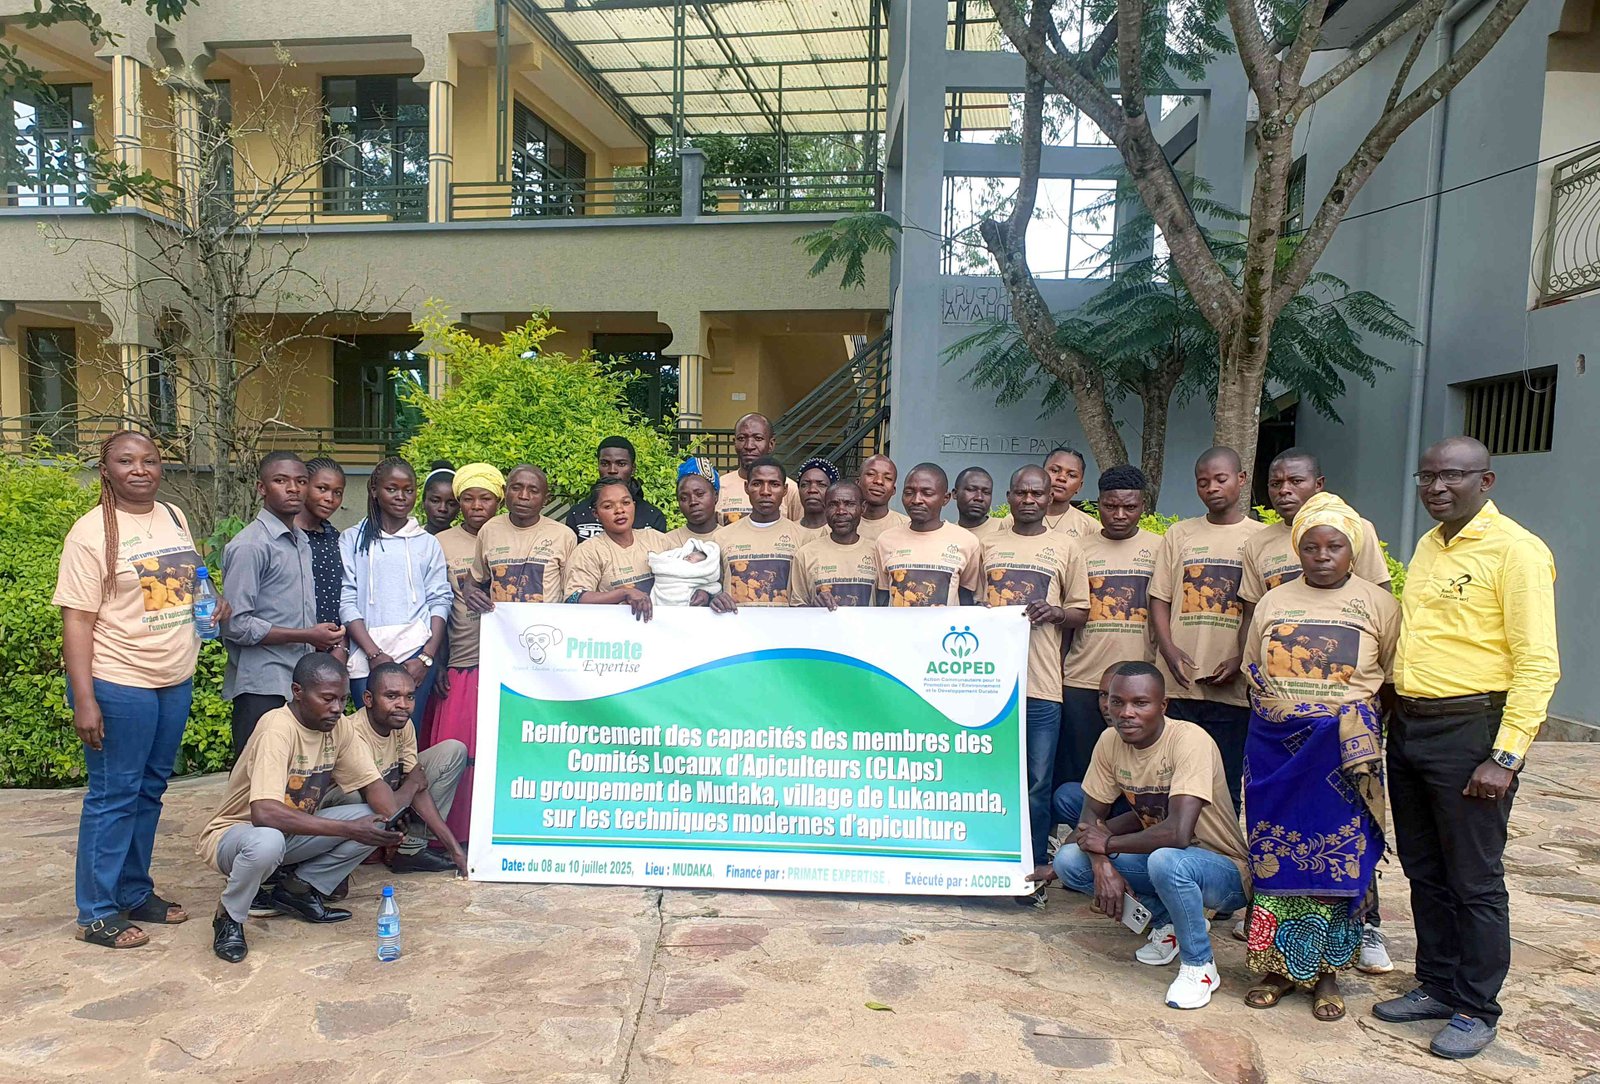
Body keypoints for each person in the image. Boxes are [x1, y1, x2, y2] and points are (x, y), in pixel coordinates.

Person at [1373, 437, 1559, 1060]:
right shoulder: (1431, 545)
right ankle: (1437, 984)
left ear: (1488, 480)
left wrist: (1505, 756)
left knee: (1475, 878)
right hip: (1413, 728)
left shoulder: (1518, 553)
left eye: (1451, 475)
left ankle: (1477, 1006)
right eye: (1427, 476)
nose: (1436, 487)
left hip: (1471, 731)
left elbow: (1538, 664)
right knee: (1424, 869)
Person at [1239, 492, 1399, 1023]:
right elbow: (1254, 675)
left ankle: (1327, 972)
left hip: (1340, 758)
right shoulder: (1273, 601)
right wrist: (1292, 715)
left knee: (1339, 860)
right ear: (1297, 550)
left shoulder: (1379, 605)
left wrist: (1355, 731)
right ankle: (1276, 968)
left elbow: (1392, 684)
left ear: (1353, 552)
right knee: (1275, 856)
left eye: (1334, 547)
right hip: (1276, 753)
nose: (1322, 555)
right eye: (1311, 547)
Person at [53, 430, 216, 949]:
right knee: (113, 795)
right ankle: (97, 911)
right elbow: (76, 621)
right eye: (126, 461)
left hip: (174, 677)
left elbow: (187, 581)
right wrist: (85, 698)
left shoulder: (172, 516)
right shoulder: (89, 533)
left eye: (149, 460)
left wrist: (211, 605)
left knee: (149, 789)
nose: (139, 469)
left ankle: (133, 890)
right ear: (107, 469)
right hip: (120, 680)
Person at [1044, 662, 1250, 1010]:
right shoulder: (1109, 741)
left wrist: (1107, 845)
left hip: (1224, 872)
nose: (1127, 713)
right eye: (1117, 702)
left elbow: (1179, 833)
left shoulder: (1189, 740)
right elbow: (1088, 819)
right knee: (1069, 862)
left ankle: (1199, 966)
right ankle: (1167, 921)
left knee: (1167, 860)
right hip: (1163, 863)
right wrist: (1100, 865)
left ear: (1163, 706)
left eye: (1140, 703)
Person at [198, 652, 406, 962]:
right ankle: (229, 916)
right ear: (298, 692)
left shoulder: (337, 727)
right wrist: (350, 830)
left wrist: (389, 823)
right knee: (268, 841)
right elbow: (264, 814)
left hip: (291, 832)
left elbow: (373, 785)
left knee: (374, 822)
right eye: (327, 698)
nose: (337, 708)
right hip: (238, 836)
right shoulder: (277, 729)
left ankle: (299, 889)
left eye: (341, 699)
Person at [980, 465, 1090, 880]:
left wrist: (1057, 612)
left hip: (1042, 686)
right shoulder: (986, 545)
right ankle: (987, 861)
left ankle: (1035, 868)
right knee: (988, 779)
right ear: (1008, 496)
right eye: (1021, 492)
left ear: (1050, 499)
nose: (1029, 500)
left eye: (1037, 494)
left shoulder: (1066, 548)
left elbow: (1082, 610)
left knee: (1037, 785)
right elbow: (969, 603)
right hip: (988, 685)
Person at [1148, 447, 1265, 808]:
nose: (1212, 487)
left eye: (1221, 479)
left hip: (1229, 688)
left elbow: (1256, 609)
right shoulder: (1179, 534)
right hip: (1178, 683)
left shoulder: (1260, 538)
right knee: (1168, 778)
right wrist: (1168, 650)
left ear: (1241, 480)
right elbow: (1160, 598)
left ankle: (1222, 856)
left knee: (1225, 781)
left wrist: (1239, 661)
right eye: (1203, 482)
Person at [222, 452, 343, 757]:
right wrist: (307, 635)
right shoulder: (251, 545)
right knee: (254, 778)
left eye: (301, 482)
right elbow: (236, 625)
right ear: (262, 488)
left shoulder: (301, 540)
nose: (293, 489)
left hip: (299, 681)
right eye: (281, 481)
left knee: (296, 777)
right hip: (262, 683)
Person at [1060, 465, 1160, 785]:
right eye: (1110, 506)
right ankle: (1077, 834)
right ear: (1097, 503)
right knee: (1079, 771)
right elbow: (1068, 616)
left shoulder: (1161, 548)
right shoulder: (1077, 549)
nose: (1119, 514)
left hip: (1139, 683)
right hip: (1082, 678)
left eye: (1129, 507)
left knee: (1136, 771)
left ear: (1143, 506)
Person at [325, 662, 468, 875]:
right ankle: (338, 861)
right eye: (392, 696)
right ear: (368, 699)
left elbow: (419, 785)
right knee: (354, 797)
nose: (403, 704)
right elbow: (390, 806)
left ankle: (410, 850)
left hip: (389, 797)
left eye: (410, 696)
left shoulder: (402, 723)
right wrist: (409, 787)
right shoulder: (352, 732)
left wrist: (455, 850)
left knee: (453, 751)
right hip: (350, 807)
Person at [338, 457, 452, 723]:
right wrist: (374, 654)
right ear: (375, 491)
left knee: (407, 740)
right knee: (368, 740)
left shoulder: (426, 543)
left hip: (415, 654)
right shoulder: (352, 539)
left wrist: (426, 657)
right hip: (367, 655)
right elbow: (347, 599)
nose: (401, 497)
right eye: (392, 489)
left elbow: (440, 600)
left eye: (408, 490)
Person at [429, 462, 503, 846]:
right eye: (468, 499)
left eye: (486, 498)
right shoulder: (440, 543)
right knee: (461, 753)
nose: (477, 506)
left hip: (508, 663)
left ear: (499, 501)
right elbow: (435, 606)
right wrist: (437, 661)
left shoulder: (505, 534)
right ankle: (451, 834)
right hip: (462, 661)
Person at [1241, 448, 1389, 604]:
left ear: (1318, 484)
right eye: (1275, 484)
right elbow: (1253, 613)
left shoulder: (1352, 528)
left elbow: (1380, 599)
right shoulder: (1258, 543)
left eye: (1296, 481)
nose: (1284, 490)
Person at [565, 478, 672, 621]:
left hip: (662, 629)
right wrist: (623, 593)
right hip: (614, 637)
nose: (619, 510)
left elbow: (686, 574)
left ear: (634, 506)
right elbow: (574, 598)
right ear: (595, 513)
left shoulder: (657, 540)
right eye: (608, 506)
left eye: (626, 503)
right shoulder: (588, 551)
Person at [466, 465, 574, 607]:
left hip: (545, 627)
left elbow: (573, 592)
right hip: (501, 627)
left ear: (546, 499)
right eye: (516, 488)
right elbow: (474, 580)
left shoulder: (563, 535)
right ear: (505, 492)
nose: (523, 496)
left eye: (533, 491)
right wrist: (470, 592)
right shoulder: (489, 530)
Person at [875, 463, 981, 607]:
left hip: (945, 629)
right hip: (898, 629)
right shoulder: (885, 540)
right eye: (909, 492)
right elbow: (883, 598)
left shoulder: (967, 542)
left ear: (946, 498)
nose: (916, 500)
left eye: (927, 493)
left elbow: (966, 599)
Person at [707, 457, 808, 608]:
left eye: (774, 484)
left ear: (785, 490)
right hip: (736, 628)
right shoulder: (721, 537)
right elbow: (711, 588)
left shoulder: (803, 538)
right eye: (757, 484)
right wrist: (713, 599)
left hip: (787, 629)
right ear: (746, 487)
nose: (765, 492)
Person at [792, 481, 879, 609]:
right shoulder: (805, 554)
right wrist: (813, 608)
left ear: (863, 508)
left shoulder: (877, 552)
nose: (841, 511)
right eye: (833, 505)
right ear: (825, 508)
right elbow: (796, 608)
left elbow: (885, 607)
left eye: (849, 504)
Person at [565, 436, 669, 541]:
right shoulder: (578, 513)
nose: (612, 470)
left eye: (621, 464)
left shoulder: (652, 516)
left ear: (633, 469)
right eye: (605, 464)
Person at [297, 457, 347, 663]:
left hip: (332, 652)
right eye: (322, 488)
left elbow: (346, 594)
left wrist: (342, 648)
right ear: (304, 486)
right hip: (289, 649)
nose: (330, 498)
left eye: (337, 493)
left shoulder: (336, 538)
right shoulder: (284, 537)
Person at [717, 413, 803, 523]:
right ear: (735, 443)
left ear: (771, 444)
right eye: (742, 438)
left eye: (758, 438)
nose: (749, 446)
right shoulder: (719, 487)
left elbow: (799, 534)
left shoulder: (790, 490)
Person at [649, 537, 722, 607]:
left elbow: (714, 587)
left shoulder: (701, 574)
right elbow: (660, 565)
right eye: (688, 556)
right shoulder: (674, 563)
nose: (690, 555)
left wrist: (705, 591)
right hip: (662, 602)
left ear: (705, 564)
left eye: (696, 554)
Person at [1043, 447, 1099, 538]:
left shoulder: (1091, 529)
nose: (1061, 478)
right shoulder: (1016, 521)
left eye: (1071, 475)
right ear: (1040, 474)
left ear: (1079, 486)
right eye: (1054, 470)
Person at [665, 458, 721, 547]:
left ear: (716, 495)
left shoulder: (729, 539)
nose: (693, 502)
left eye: (699, 494)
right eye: (684, 498)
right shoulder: (668, 542)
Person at [855, 454, 909, 543]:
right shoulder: (841, 524)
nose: (879, 481)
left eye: (887, 478)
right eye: (871, 474)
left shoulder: (907, 526)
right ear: (858, 482)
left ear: (893, 490)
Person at [955, 466, 1011, 540]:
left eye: (986, 492)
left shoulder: (1005, 528)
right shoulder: (947, 535)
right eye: (971, 490)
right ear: (955, 493)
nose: (979, 498)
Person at [794, 456, 839, 540]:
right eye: (805, 484)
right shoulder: (788, 530)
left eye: (821, 485)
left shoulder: (842, 533)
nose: (812, 490)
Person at [421, 461, 459, 535]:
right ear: (423, 501)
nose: (442, 509)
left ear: (459, 507)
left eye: (451, 504)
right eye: (435, 501)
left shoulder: (465, 542)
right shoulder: (409, 539)